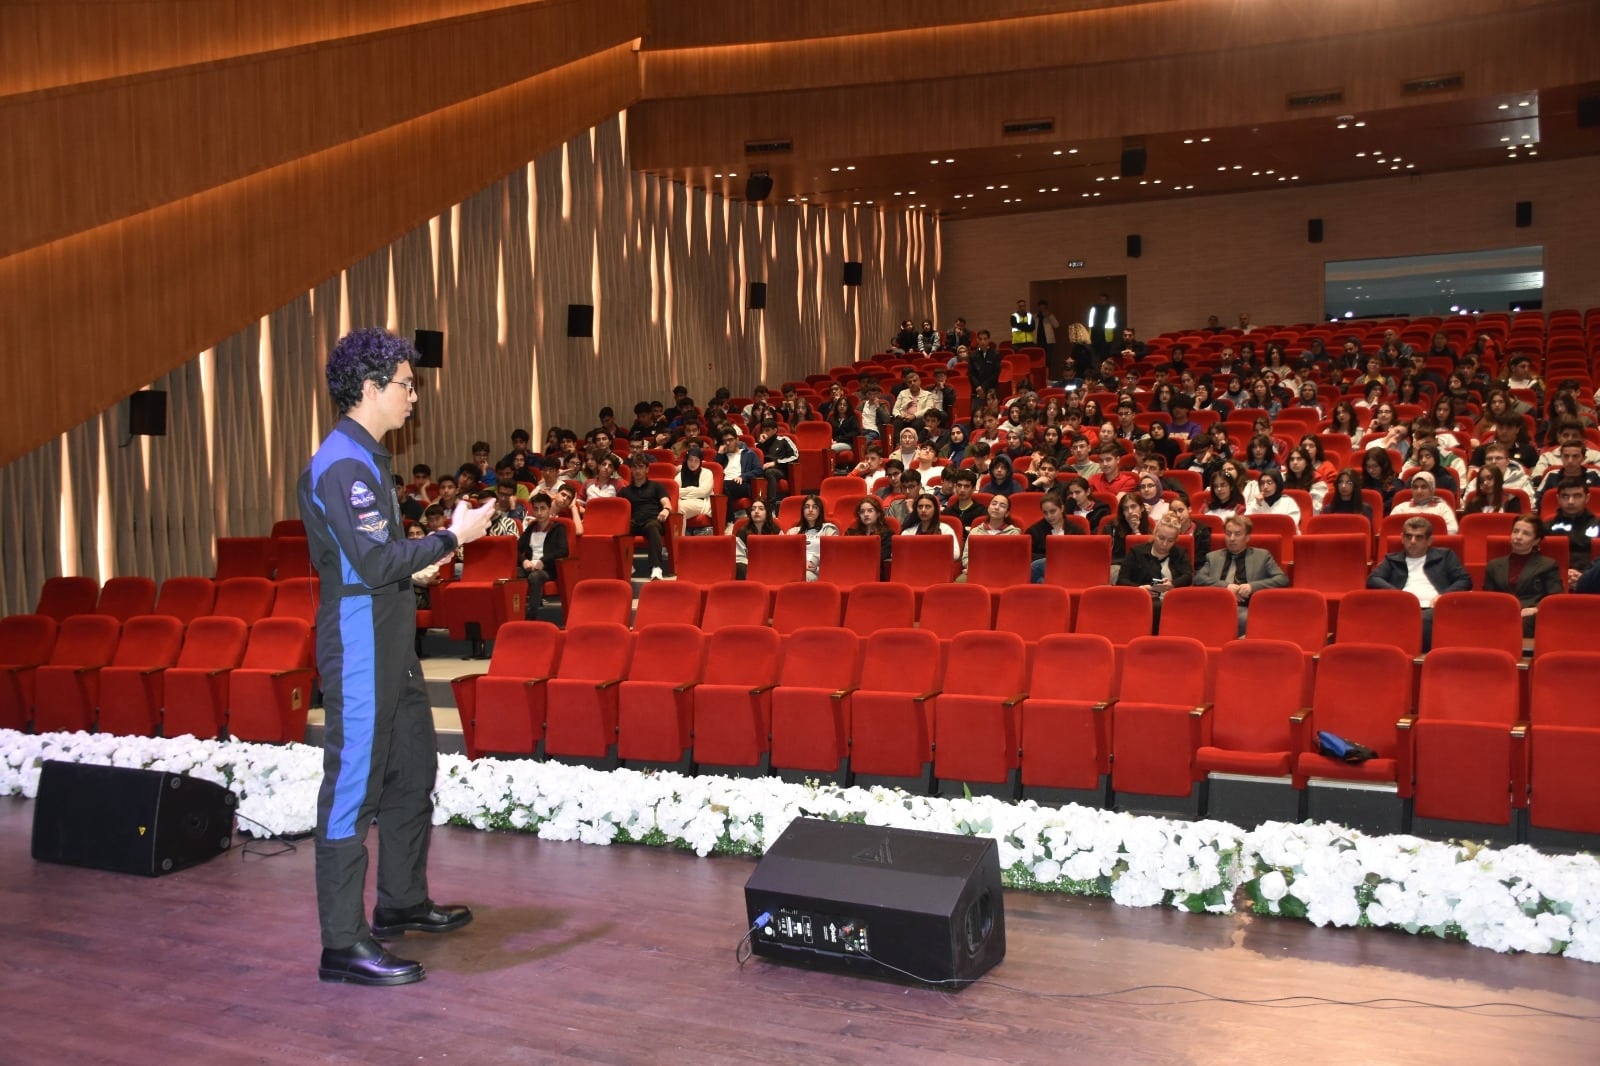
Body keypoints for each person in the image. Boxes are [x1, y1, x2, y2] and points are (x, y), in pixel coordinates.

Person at [297, 328, 493, 987]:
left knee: (413, 770)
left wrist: (415, 570)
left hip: (390, 640)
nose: (415, 396)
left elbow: (375, 566)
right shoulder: (344, 464)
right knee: (352, 792)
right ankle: (342, 944)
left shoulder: (365, 459)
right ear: (372, 388)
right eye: (407, 385)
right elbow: (375, 560)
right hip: (360, 650)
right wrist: (449, 537)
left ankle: (402, 900)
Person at [1367, 516, 1471, 649]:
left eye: (1419, 537)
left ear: (1429, 540)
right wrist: (1399, 595)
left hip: (1434, 607)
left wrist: (1444, 595)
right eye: (1408, 536)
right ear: (1402, 538)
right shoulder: (1392, 560)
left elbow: (1464, 580)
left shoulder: (1445, 556)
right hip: (1402, 607)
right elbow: (1373, 579)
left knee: (1421, 619)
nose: (1413, 541)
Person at [1194, 513, 1289, 634]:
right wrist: (1225, 586)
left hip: (1246, 607)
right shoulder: (1213, 557)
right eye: (1228, 534)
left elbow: (1282, 579)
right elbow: (1199, 578)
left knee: (1246, 618)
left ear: (1247, 537)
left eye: (1237, 534)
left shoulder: (1262, 556)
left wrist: (1252, 586)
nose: (1232, 538)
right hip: (1216, 606)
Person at [1482, 514, 1563, 637]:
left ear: (1536, 540)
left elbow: (1555, 598)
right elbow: (1488, 598)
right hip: (1500, 613)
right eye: (1515, 531)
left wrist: (1537, 609)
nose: (1518, 537)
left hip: (1531, 616)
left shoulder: (1548, 565)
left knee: (1526, 622)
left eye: (1526, 533)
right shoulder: (1494, 565)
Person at [1116, 515, 1193, 624]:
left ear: (1176, 540)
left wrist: (1172, 584)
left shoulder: (1180, 553)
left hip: (1172, 603)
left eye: (1170, 540)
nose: (1164, 544)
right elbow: (1121, 580)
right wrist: (1140, 589)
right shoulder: (1136, 552)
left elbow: (1188, 576)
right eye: (1161, 538)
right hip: (1142, 603)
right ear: (1154, 533)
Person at [620, 453, 672, 579]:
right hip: (634, 521)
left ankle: (656, 567)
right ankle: (626, 566)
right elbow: (620, 511)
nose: (638, 471)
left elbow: (666, 502)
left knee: (652, 526)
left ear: (647, 469)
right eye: (635, 467)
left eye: (641, 467)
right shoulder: (624, 491)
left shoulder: (656, 486)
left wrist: (666, 510)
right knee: (620, 530)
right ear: (631, 469)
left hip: (653, 520)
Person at [516, 492, 568, 615]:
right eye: (536, 509)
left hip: (548, 569)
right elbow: (514, 549)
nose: (539, 513)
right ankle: (514, 613)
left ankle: (531, 616)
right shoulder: (531, 528)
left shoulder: (558, 528)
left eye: (543, 508)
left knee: (535, 577)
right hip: (529, 566)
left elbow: (563, 551)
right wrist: (523, 560)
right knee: (512, 573)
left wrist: (543, 561)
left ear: (549, 509)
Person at [1547, 477, 1600, 589]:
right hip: (1553, 579)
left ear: (1587, 498)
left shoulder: (1598, 524)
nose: (1571, 501)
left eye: (1577, 496)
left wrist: (1585, 576)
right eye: (1565, 496)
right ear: (1558, 498)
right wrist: (1563, 573)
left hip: (1593, 579)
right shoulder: (1545, 526)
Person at [960, 494, 1021, 579]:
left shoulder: (1014, 533)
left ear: (1007, 513)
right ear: (988, 508)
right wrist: (975, 567)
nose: (996, 507)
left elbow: (1014, 561)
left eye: (1002, 506)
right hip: (977, 571)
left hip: (1003, 574)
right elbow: (965, 558)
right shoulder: (975, 531)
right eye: (994, 503)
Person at [1026, 491, 1079, 583]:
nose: (1049, 516)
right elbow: (1028, 555)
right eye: (1045, 513)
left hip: (1069, 569)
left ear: (1062, 508)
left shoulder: (1076, 530)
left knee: (1042, 581)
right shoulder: (1034, 530)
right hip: (1044, 571)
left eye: (1052, 511)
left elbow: (1081, 555)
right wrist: (1052, 559)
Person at [787, 494, 838, 581]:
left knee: (802, 578)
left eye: (814, 507)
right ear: (802, 511)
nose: (810, 510)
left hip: (816, 571)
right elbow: (786, 554)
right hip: (795, 569)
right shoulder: (793, 531)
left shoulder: (829, 529)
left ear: (820, 511)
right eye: (806, 507)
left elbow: (833, 554)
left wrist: (814, 565)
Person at [1391, 469, 1458, 534]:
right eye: (1415, 487)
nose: (1419, 491)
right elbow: (1391, 529)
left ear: (1431, 489)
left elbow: (1452, 530)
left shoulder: (1442, 508)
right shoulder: (1401, 509)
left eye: (1424, 487)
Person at [846, 496, 895, 579]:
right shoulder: (851, 533)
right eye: (862, 512)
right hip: (852, 572)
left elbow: (881, 556)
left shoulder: (887, 535)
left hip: (875, 573)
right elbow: (846, 556)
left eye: (870, 511)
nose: (866, 514)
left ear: (878, 513)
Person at [733, 498, 783, 579]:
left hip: (771, 566)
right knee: (740, 568)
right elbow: (739, 557)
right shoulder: (742, 532)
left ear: (767, 512)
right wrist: (753, 566)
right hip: (749, 567)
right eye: (753, 509)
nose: (756, 511)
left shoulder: (776, 530)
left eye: (761, 509)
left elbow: (782, 552)